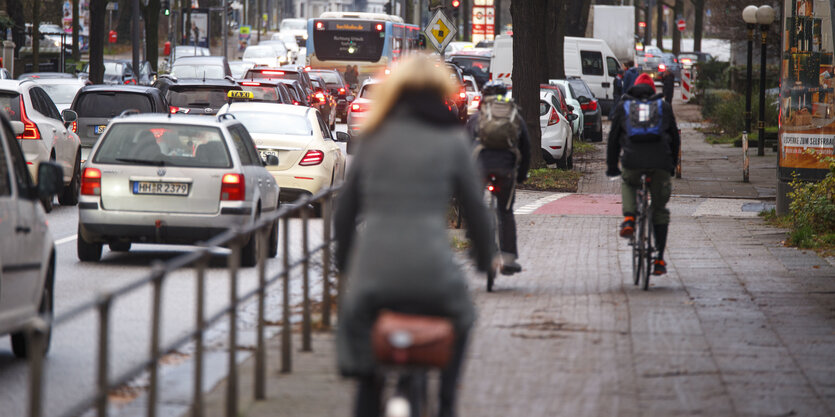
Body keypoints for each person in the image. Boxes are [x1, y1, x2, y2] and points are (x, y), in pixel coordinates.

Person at [334, 56, 495, 417]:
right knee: (463, 317)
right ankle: (446, 404)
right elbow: (476, 208)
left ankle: (365, 389)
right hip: (432, 271)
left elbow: (344, 213)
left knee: (364, 354)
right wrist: (484, 258)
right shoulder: (452, 141)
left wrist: (344, 265)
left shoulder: (373, 138)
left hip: (374, 271)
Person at [606, 73, 680, 275]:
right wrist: (671, 165)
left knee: (628, 182)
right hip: (660, 163)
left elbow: (613, 138)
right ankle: (659, 261)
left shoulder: (624, 106)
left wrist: (612, 166)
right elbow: (674, 138)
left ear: (633, 88)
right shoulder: (663, 107)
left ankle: (629, 218)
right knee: (659, 210)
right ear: (653, 90)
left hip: (633, 160)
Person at [466, 81, 531, 275]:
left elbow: (463, 147)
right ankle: (509, 258)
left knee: (475, 207)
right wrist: (521, 174)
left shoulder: (476, 118)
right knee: (505, 211)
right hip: (506, 170)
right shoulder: (514, 117)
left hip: (479, 169)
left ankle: (476, 246)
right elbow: (526, 148)